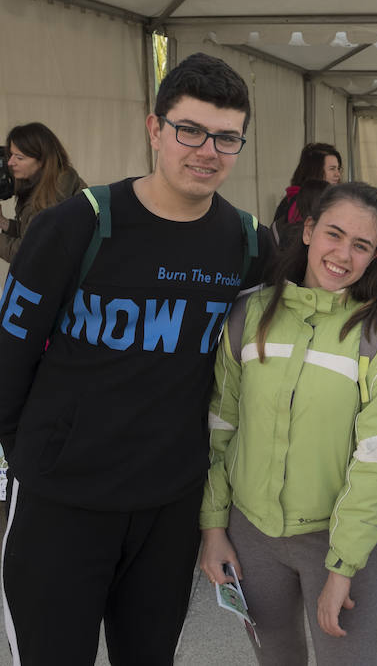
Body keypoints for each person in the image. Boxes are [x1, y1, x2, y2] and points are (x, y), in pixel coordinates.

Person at [0, 52, 272, 665]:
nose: (207, 150)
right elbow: (8, 357)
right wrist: (37, 456)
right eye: (190, 130)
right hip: (61, 502)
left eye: (227, 137)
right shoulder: (75, 227)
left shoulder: (249, 244)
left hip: (167, 509)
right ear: (155, 129)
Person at [199, 181, 377, 665]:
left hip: (338, 542)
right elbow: (221, 427)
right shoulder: (249, 314)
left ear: (376, 254)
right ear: (309, 230)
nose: (342, 254)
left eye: (361, 245)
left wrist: (342, 567)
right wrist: (214, 527)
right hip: (251, 535)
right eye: (333, 234)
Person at [0, 122, 86, 263]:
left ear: (42, 161)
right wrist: (4, 223)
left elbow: (28, 254)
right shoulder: (43, 184)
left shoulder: (54, 195)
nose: (10, 162)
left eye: (19, 157)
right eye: (11, 155)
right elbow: (32, 233)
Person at [272, 143, 342, 247]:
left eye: (338, 169)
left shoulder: (298, 198)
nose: (338, 174)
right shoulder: (299, 202)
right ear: (315, 170)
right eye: (332, 169)